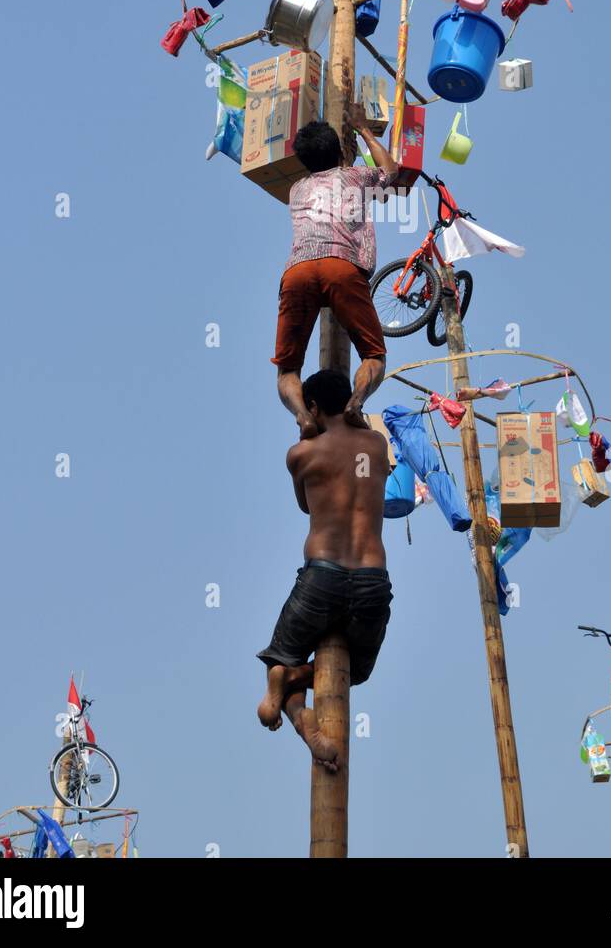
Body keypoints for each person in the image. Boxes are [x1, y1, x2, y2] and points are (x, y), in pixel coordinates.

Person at [257, 369, 393, 772]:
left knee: (277, 660)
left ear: (312, 408)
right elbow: (366, 472)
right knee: (358, 670)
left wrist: (309, 433)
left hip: (321, 578)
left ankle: (291, 699)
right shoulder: (373, 446)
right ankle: (295, 686)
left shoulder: (301, 455)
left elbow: (305, 505)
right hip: (372, 580)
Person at [272, 113, 398, 439]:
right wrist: (363, 130)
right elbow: (390, 171)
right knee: (373, 355)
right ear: (340, 152)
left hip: (297, 271)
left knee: (288, 369)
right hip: (342, 267)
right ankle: (355, 403)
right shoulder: (353, 177)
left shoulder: (296, 190)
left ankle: (302, 417)